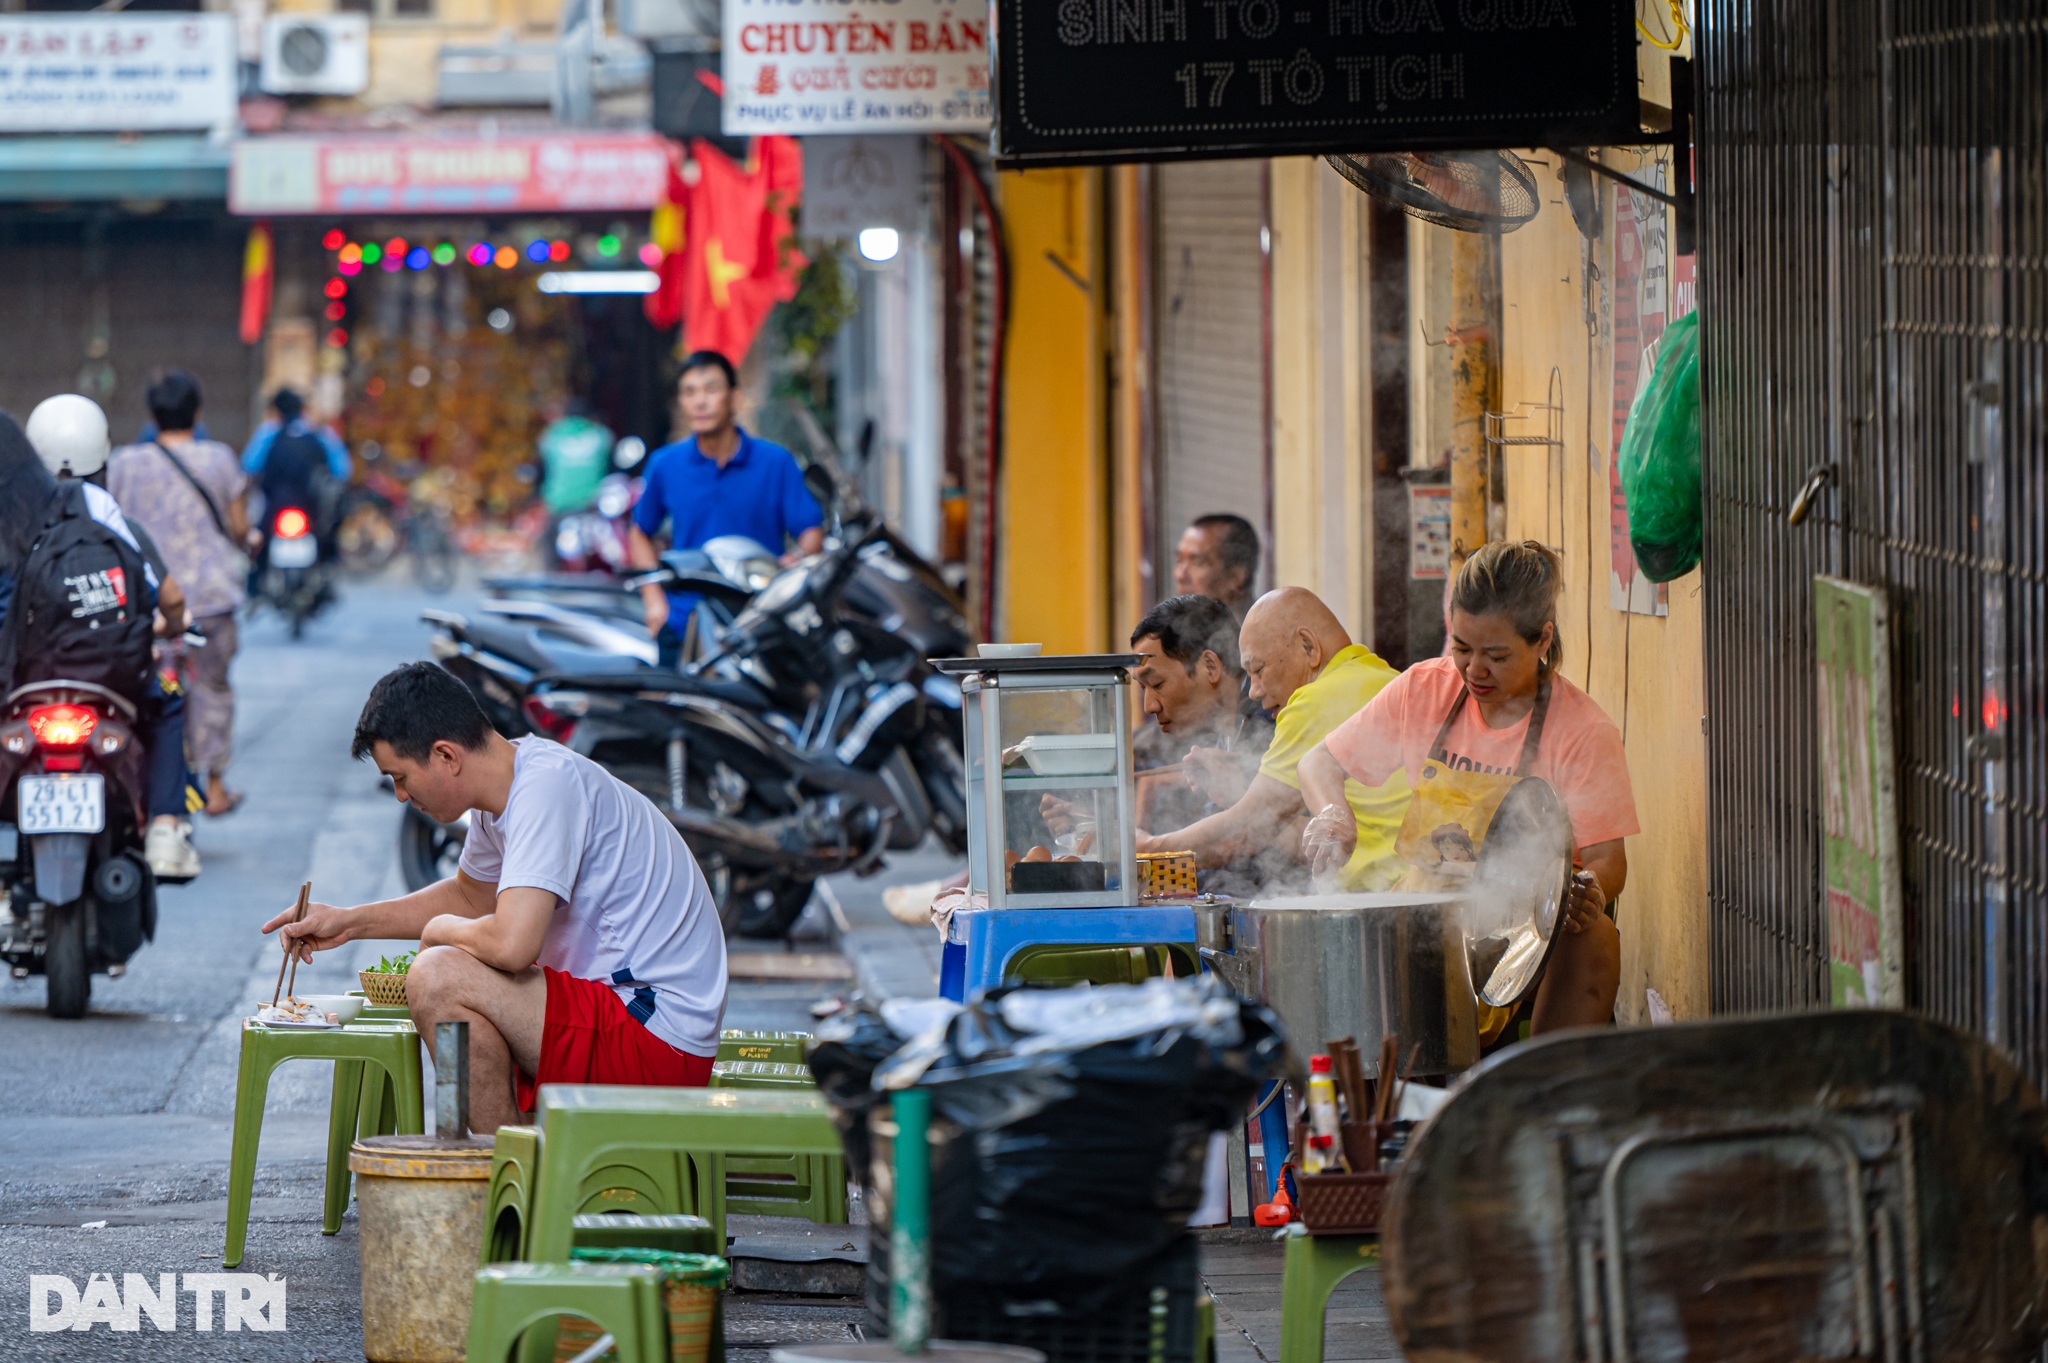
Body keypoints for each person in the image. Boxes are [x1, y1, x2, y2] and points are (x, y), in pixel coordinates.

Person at [264, 663, 729, 1133]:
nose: (401, 796)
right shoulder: (508, 789)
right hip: (617, 1019)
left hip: (656, 1039)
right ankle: (511, 1173)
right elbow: (470, 896)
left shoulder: (545, 789)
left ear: (446, 755)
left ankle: (497, 1180)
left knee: (439, 975)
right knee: (452, 971)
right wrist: (349, 922)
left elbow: (511, 945)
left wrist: (437, 933)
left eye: (400, 777)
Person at [1298, 541, 1635, 1036]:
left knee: (1596, 937)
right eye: (1461, 648)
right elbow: (1319, 761)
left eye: (1495, 655)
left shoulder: (1583, 730)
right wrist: (1333, 813)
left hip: (1524, 938)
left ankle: (1534, 1093)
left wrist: (1590, 890)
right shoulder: (1423, 689)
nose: (1474, 670)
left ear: (1542, 641)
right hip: (1424, 913)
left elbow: (1610, 860)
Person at [5, 405, 199, 879]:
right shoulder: (105, 511)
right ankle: (165, 830)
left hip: (22, 679)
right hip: (108, 679)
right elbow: (167, 597)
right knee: (169, 702)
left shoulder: (12, 513)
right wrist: (161, 626)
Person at [1134, 587, 1410, 891]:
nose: (1252, 692)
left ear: (1308, 647)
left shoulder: (1315, 700)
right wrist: (1237, 790)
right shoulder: (1382, 677)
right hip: (1412, 890)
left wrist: (1149, 848)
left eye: (1258, 670)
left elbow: (1246, 826)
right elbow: (1287, 829)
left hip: (1385, 895)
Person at [106, 374, 254, 818]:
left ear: (151, 417)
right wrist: (251, 541)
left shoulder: (124, 463)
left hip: (144, 602)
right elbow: (240, 526)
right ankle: (213, 786)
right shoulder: (220, 459)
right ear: (198, 413)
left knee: (134, 694)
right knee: (211, 686)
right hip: (208, 600)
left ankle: (133, 789)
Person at [627, 351, 823, 667]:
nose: (700, 402)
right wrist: (654, 601)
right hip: (686, 619)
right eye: (690, 392)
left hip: (760, 620)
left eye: (711, 389)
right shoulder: (666, 464)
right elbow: (639, 532)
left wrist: (796, 562)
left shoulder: (775, 462)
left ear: (735, 397)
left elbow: (811, 531)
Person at [1126, 594, 1271, 831]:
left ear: (1210, 666)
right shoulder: (1223, 732)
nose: (1149, 706)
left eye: (1158, 684)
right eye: (1143, 689)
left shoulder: (1270, 723)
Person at [242, 388, 351, 545]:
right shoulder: (320, 432)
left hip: (275, 504)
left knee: (260, 542)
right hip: (312, 506)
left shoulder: (268, 432)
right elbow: (342, 470)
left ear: (276, 409)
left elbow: (249, 466)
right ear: (302, 408)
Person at [1172, 514, 1260, 623]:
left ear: (1236, 576)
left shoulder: (1261, 634)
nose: (1180, 575)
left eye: (1197, 563)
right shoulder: (1170, 629)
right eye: (1179, 561)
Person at [537, 401, 615, 517]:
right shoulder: (601, 434)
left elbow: (543, 464)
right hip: (595, 504)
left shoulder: (552, 435)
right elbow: (611, 463)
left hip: (559, 503)